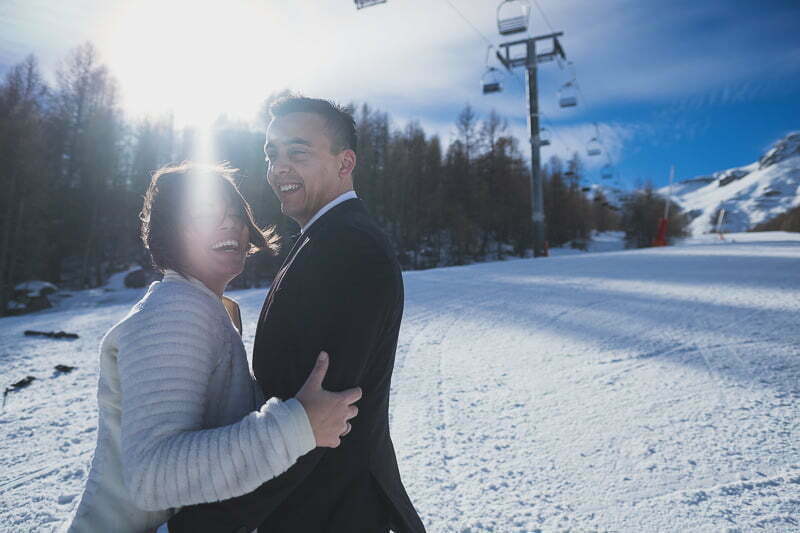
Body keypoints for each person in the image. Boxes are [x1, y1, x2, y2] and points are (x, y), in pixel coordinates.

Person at [168, 96, 426, 533]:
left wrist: (200, 525)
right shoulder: (323, 240)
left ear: (345, 162)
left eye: (298, 152)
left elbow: (319, 421)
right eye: (273, 155)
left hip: (333, 511)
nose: (279, 168)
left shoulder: (347, 247)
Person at [61, 162, 362, 533]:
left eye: (236, 215)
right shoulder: (175, 311)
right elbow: (152, 475)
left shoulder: (205, 307)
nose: (230, 225)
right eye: (206, 215)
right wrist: (298, 426)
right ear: (168, 233)